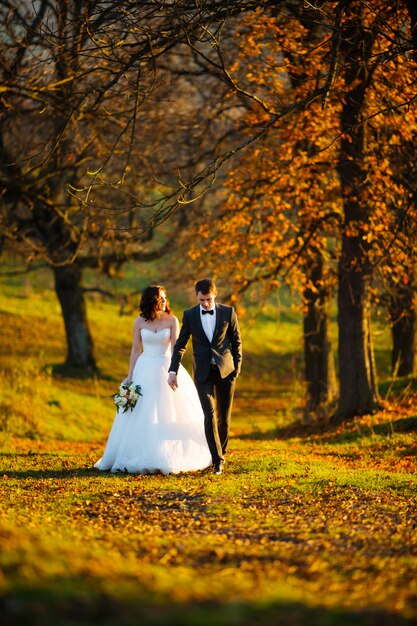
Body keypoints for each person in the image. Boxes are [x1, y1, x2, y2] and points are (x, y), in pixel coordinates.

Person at [94, 285, 212, 474]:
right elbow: (135, 350)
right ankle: (139, 454)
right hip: (144, 368)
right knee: (142, 412)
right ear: (151, 301)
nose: (165, 301)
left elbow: (176, 349)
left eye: (165, 298)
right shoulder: (139, 322)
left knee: (168, 410)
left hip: (166, 367)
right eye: (161, 298)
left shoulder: (172, 320)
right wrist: (130, 376)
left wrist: (174, 372)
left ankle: (169, 455)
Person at [168, 279, 242, 475]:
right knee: (209, 415)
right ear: (197, 297)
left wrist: (236, 369)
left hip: (226, 371)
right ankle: (217, 460)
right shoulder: (190, 315)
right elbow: (180, 345)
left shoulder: (228, 312)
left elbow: (236, 342)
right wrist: (173, 371)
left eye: (208, 300)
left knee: (223, 419)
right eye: (202, 300)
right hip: (202, 373)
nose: (206, 304)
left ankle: (221, 454)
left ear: (215, 295)